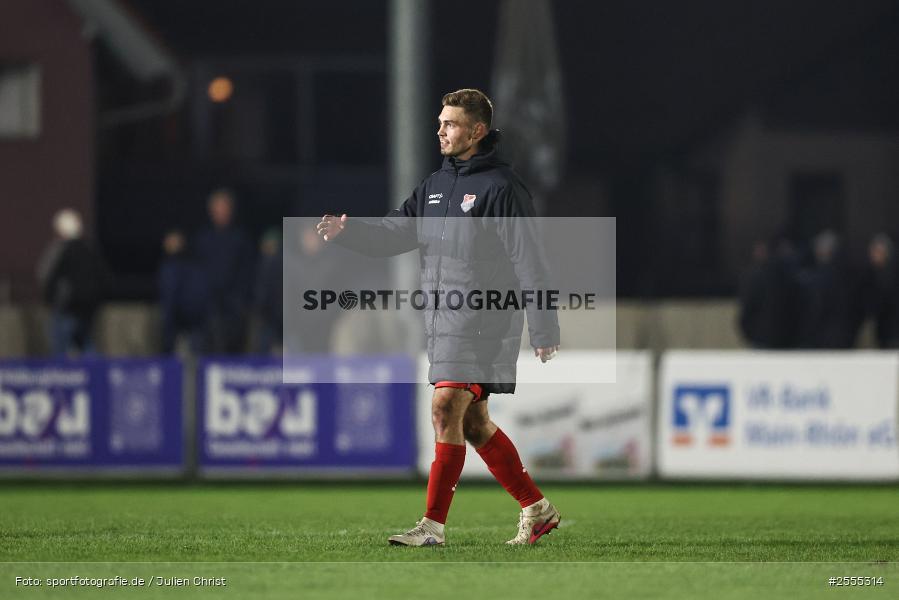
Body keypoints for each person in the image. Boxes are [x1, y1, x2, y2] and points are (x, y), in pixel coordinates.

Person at [316, 89, 561, 546]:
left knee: (445, 404)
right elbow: (395, 233)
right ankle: (537, 508)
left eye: (450, 124)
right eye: (440, 124)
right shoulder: (435, 186)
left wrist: (544, 324)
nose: (441, 131)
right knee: (472, 422)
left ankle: (431, 527)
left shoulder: (502, 188)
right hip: (444, 318)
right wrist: (351, 232)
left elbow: (532, 261)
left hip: (485, 320)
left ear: (477, 130)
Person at [37, 208, 107, 357]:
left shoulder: (61, 250)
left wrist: (50, 299)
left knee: (61, 347)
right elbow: (103, 277)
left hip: (66, 308)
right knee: (85, 343)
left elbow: (48, 277)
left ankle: (62, 377)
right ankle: (96, 375)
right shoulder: (89, 249)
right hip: (88, 309)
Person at [194, 188, 254, 354]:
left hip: (234, 307)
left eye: (224, 208)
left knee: (234, 351)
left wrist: (240, 301)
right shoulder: (203, 239)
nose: (221, 212)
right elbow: (198, 272)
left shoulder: (241, 239)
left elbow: (247, 272)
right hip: (208, 307)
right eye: (217, 208)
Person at [158, 229, 210, 355]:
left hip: (182, 327)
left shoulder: (171, 268)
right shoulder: (195, 265)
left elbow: (169, 302)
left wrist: (166, 334)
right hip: (196, 325)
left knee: (179, 365)